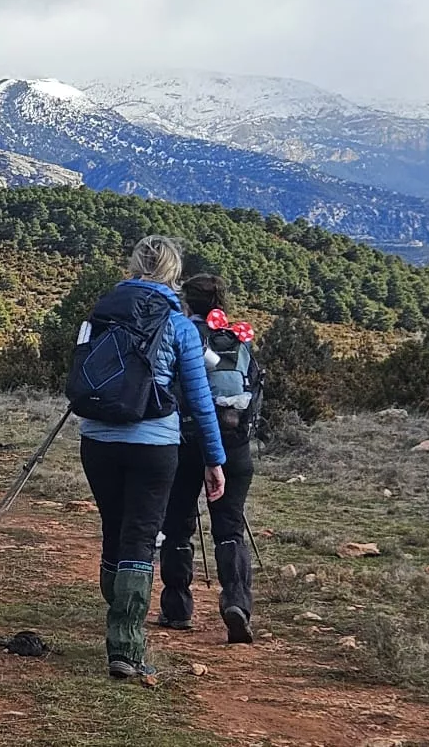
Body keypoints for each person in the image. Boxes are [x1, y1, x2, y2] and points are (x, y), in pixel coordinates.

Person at [72, 235, 227, 684]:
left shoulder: (101, 313)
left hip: (98, 438)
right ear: (173, 274)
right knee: (140, 539)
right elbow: (199, 399)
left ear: (134, 265)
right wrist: (214, 459)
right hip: (155, 443)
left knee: (114, 529)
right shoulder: (178, 324)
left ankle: (116, 602)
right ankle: (125, 644)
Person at [159, 274, 261, 645]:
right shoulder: (238, 339)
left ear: (187, 302)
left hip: (187, 442)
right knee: (230, 529)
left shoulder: (182, 335)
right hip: (234, 446)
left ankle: (177, 607)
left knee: (177, 525)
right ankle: (237, 602)